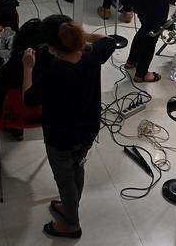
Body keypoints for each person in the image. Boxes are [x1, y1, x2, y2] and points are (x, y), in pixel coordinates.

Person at [23, 16, 117, 238]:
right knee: (78, 167)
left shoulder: (55, 72)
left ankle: (72, 224)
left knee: (64, 177)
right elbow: (109, 41)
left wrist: (28, 68)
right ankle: (69, 207)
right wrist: (82, 38)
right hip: (87, 130)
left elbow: (28, 98)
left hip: (60, 137)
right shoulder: (91, 57)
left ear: (52, 48)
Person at [0, 18, 52, 174]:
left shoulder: (12, 68)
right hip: (44, 116)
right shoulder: (54, 67)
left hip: (11, 115)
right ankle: (16, 131)